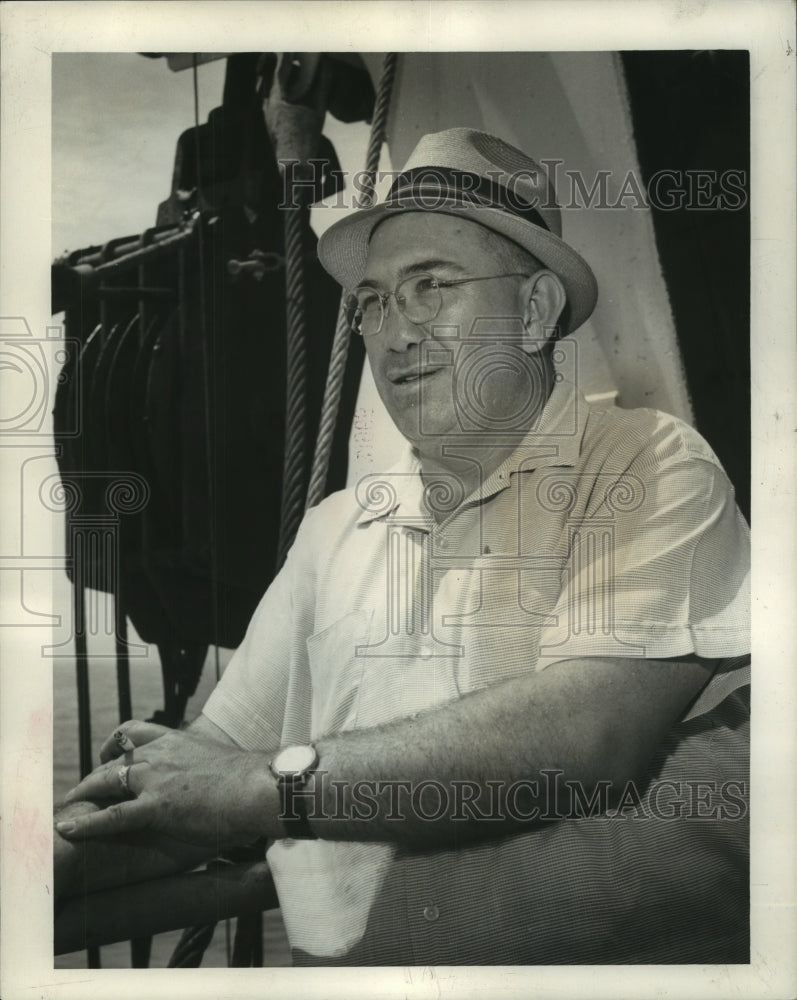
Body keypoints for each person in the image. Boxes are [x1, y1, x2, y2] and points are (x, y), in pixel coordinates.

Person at [55, 128, 750, 965]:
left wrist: (253, 790)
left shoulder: (645, 463)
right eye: (374, 301)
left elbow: (588, 738)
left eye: (432, 287)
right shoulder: (337, 528)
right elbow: (199, 779)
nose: (393, 332)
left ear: (533, 312)